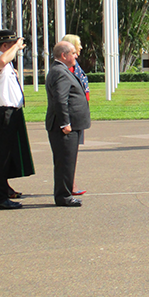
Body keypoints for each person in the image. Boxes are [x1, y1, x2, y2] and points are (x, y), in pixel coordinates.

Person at [0, 29, 35, 210]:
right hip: (0, 113)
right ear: (5, 46)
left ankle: (3, 192)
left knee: (5, 156)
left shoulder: (2, 63)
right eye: (12, 45)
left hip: (8, 112)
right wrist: (17, 47)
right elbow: (3, 60)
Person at [45, 41, 91, 207]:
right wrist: (65, 123)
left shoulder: (62, 70)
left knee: (68, 161)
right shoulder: (60, 72)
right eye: (73, 53)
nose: (76, 56)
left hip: (70, 125)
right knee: (65, 162)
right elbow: (60, 99)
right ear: (64, 55)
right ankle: (63, 196)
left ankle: (65, 194)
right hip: (64, 126)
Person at [61, 34, 88, 195]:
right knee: (68, 154)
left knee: (72, 152)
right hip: (71, 116)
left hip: (78, 113)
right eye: (78, 45)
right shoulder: (67, 68)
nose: (81, 48)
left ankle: (71, 183)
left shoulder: (74, 65)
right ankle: (69, 186)